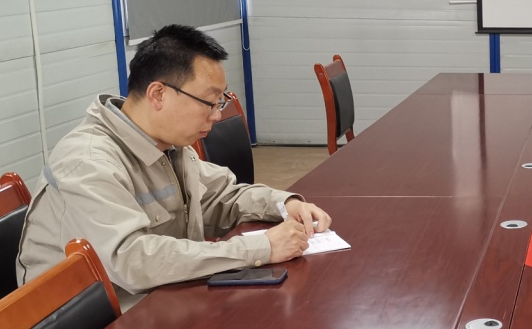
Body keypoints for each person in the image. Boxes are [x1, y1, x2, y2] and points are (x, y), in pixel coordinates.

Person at [17, 25, 332, 309]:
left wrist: (284, 204)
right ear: (158, 94)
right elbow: (134, 261)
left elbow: (220, 197)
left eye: (220, 102)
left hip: (158, 301)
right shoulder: (88, 163)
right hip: (86, 328)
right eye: (209, 102)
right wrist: (259, 248)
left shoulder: (168, 146)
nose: (217, 115)